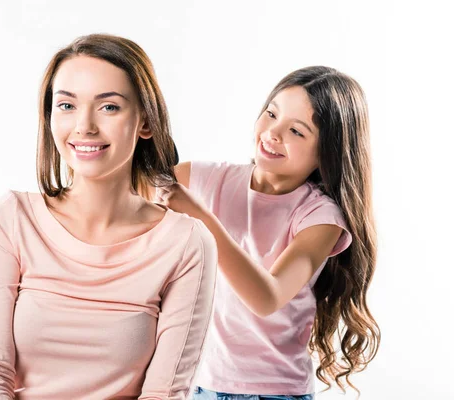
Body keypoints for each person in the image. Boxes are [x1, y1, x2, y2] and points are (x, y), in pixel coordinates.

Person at [0, 34, 217, 400]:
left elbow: (164, 393)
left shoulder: (186, 243)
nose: (84, 126)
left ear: (145, 122)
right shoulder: (10, 219)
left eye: (109, 107)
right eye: (66, 105)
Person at [156, 66, 380, 399]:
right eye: (271, 114)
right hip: (200, 383)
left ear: (327, 152)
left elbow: (267, 298)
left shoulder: (321, 218)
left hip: (274, 391)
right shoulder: (202, 180)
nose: (273, 133)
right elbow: (126, 196)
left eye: (296, 131)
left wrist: (199, 215)